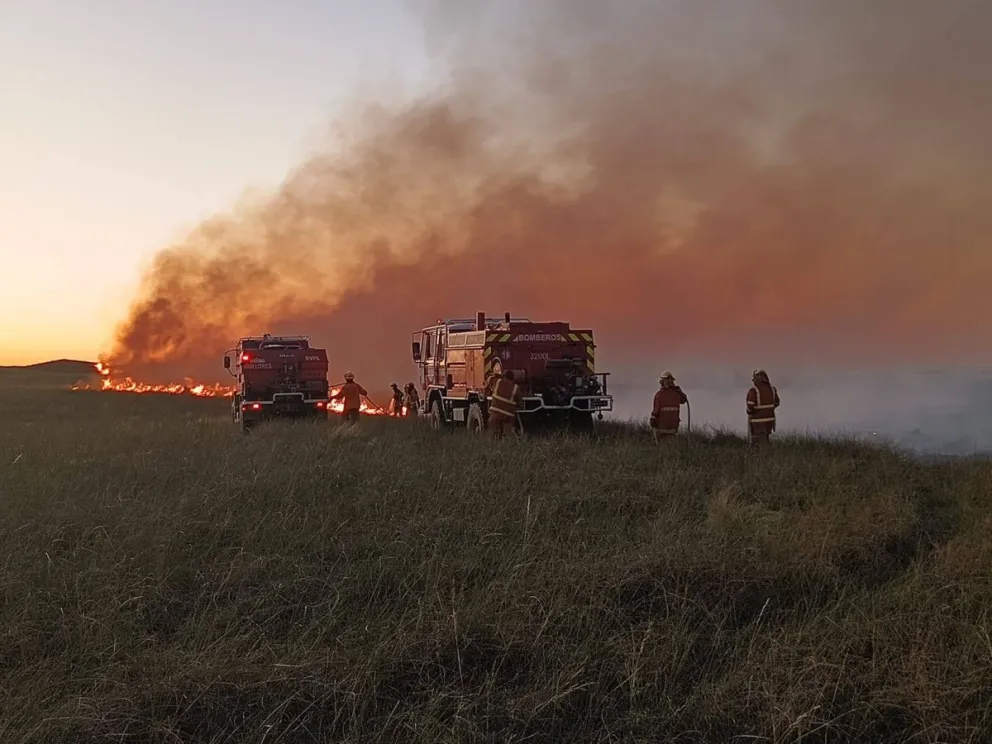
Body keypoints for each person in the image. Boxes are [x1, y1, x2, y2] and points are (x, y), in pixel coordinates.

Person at [746, 368, 780, 445]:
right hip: (769, 421)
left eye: (754, 378)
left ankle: (760, 452)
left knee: (758, 442)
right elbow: (777, 403)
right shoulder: (772, 389)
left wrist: (749, 411)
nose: (753, 381)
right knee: (765, 438)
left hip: (757, 421)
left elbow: (750, 406)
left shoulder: (754, 390)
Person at [650, 371, 688, 437]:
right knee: (672, 443)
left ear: (662, 382)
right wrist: (677, 389)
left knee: (661, 442)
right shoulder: (677, 394)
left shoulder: (659, 394)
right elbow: (684, 400)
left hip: (661, 427)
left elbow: (656, 410)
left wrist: (652, 420)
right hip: (673, 427)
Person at [487, 369, 523, 437]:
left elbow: (489, 380)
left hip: (495, 415)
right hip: (508, 417)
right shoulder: (516, 388)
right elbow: (519, 401)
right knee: (508, 437)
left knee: (493, 435)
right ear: (513, 378)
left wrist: (495, 375)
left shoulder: (497, 382)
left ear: (503, 376)